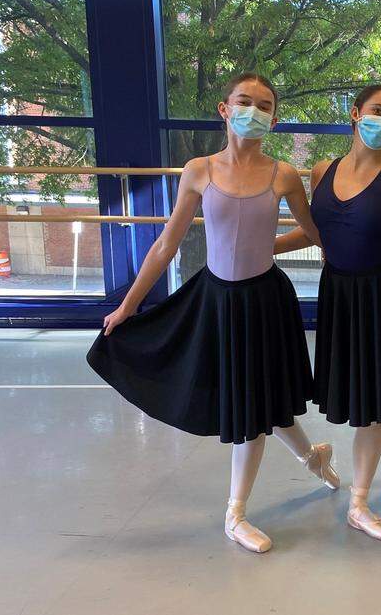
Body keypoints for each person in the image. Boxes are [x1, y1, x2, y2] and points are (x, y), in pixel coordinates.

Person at [87, 72, 338, 554]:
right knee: (253, 402)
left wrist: (349, 252)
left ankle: (236, 511)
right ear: (224, 109)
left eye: (264, 105)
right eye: (244, 101)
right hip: (217, 299)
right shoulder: (199, 170)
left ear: (274, 118)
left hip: (265, 301)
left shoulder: (284, 174)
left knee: (257, 401)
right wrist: (127, 306)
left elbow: (313, 231)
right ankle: (309, 459)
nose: (253, 111)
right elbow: (166, 245)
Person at [272, 84, 381, 541]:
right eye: (377, 110)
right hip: (340, 296)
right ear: (355, 113)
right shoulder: (322, 170)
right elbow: (321, 231)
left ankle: (359, 503)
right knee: (378, 391)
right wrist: (262, 247)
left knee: (372, 403)